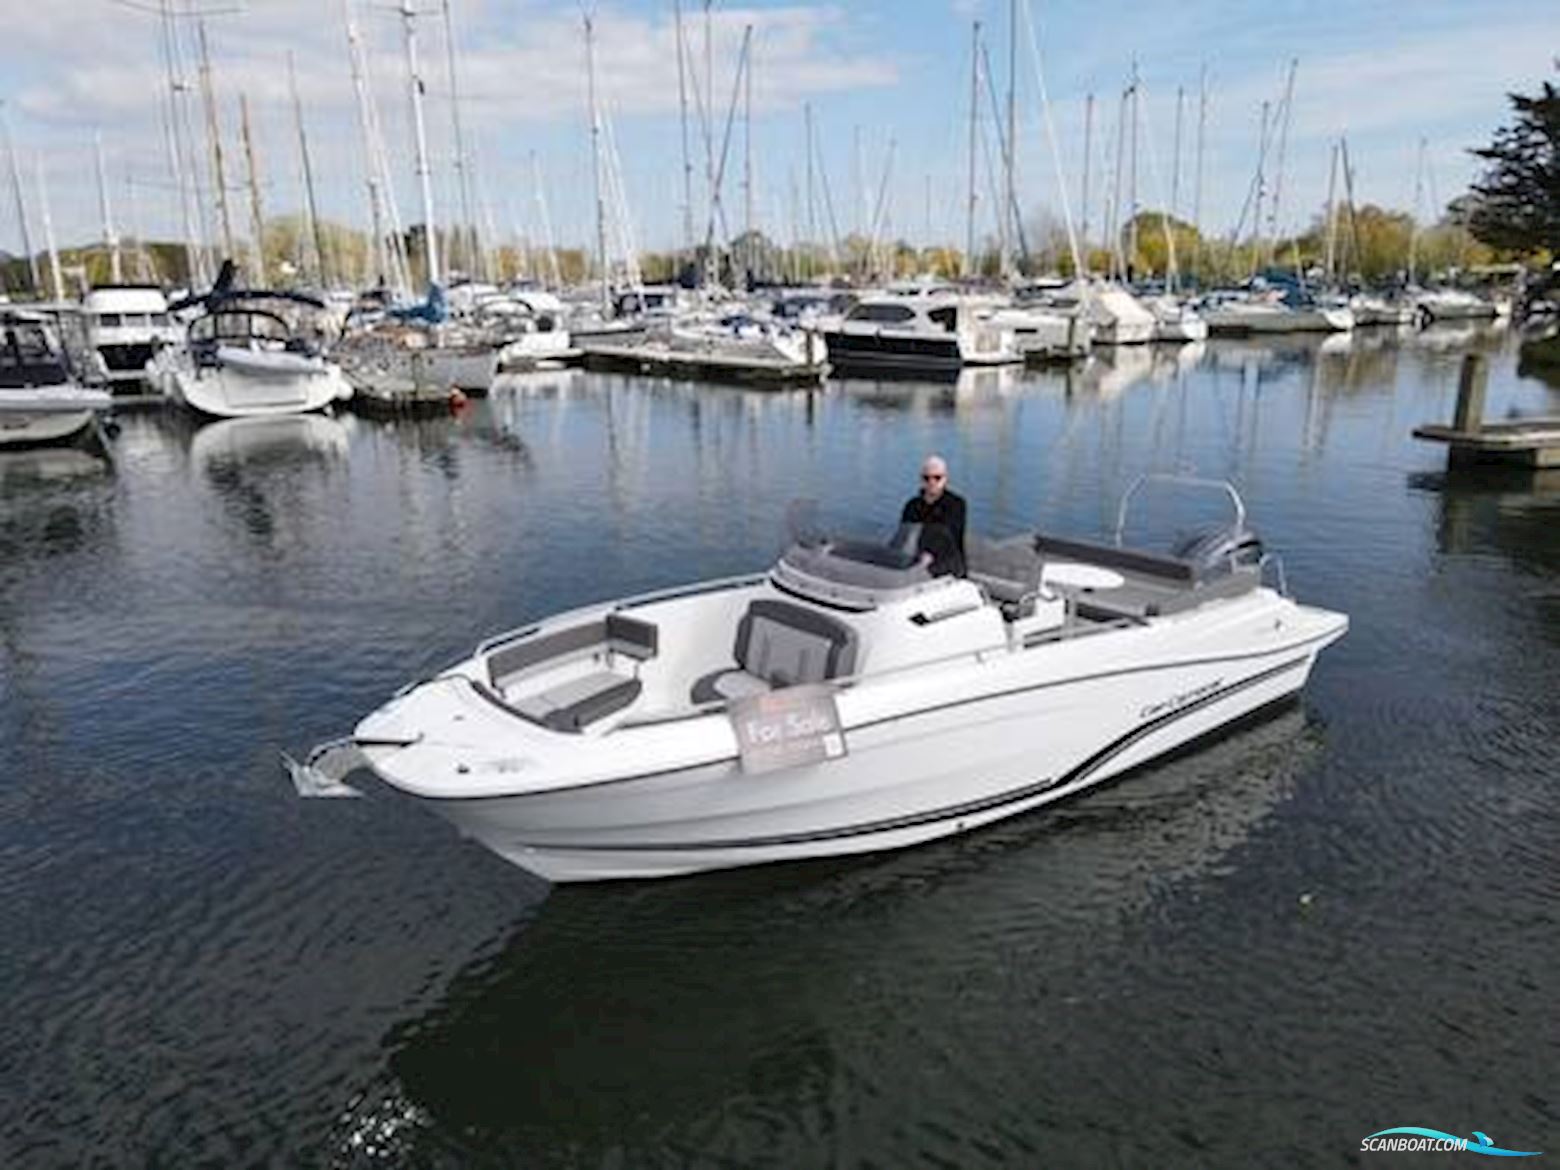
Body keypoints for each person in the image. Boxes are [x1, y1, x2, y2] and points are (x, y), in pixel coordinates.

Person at [900, 454, 967, 576]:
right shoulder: (912, 505)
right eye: (927, 478)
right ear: (921, 480)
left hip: (949, 567)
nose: (932, 482)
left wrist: (930, 555)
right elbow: (904, 535)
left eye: (937, 478)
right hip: (916, 563)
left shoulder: (956, 504)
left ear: (945, 479)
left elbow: (951, 535)